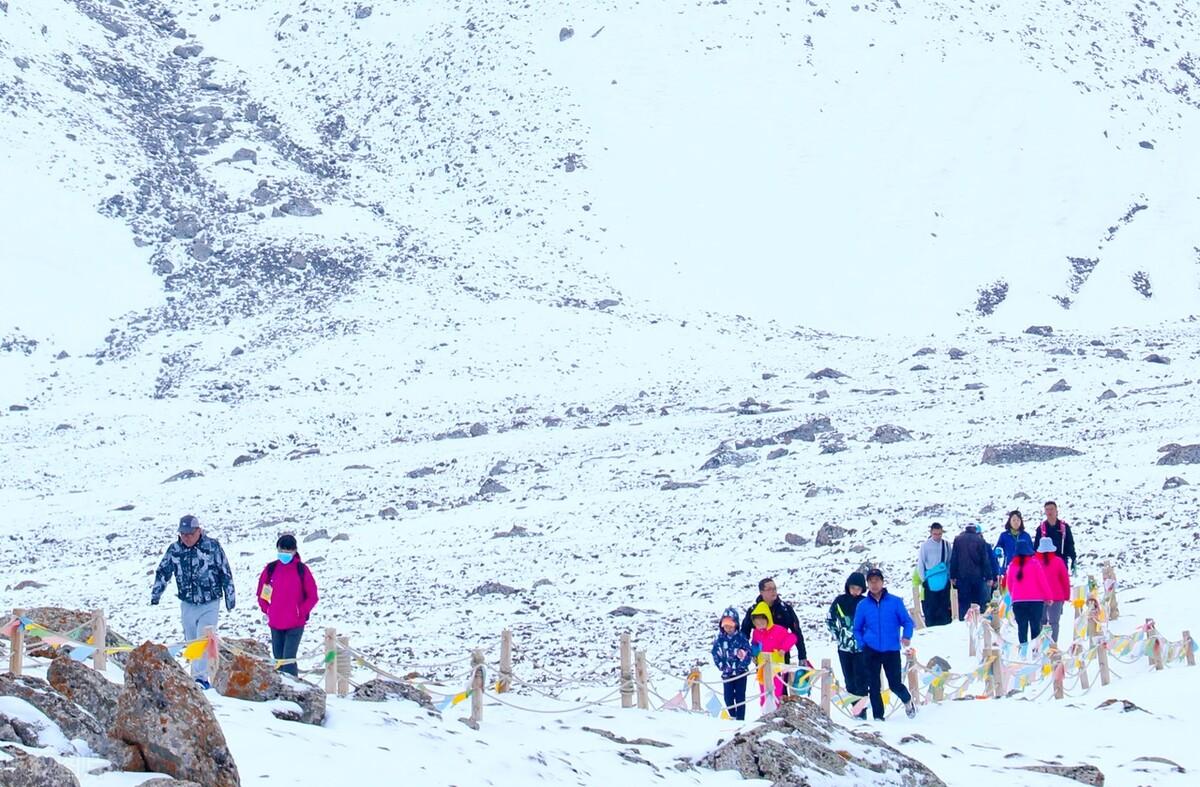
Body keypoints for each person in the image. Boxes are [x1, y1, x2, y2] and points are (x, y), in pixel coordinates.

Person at [150, 515, 236, 689]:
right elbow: (163, 571)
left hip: (209, 601)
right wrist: (156, 594)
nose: (187, 537)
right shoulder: (174, 550)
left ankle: (201, 679)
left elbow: (225, 571)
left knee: (203, 638)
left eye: (190, 533)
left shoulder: (212, 547)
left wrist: (230, 597)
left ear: (199, 531)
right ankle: (195, 676)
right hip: (187, 603)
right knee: (191, 640)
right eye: (183, 534)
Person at [852, 568, 917, 719]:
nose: (874, 584)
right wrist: (863, 644)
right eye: (871, 581)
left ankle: (907, 700)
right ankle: (878, 718)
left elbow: (907, 622)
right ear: (867, 584)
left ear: (882, 582)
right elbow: (856, 629)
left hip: (891, 649)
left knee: (894, 684)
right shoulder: (863, 605)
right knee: (874, 686)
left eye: (877, 581)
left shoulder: (895, 602)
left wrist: (906, 636)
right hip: (871, 650)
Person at [255, 534, 319, 677]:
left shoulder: (301, 570)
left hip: (295, 623)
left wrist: (300, 611)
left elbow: (312, 596)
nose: (284, 554)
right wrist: (268, 609)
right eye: (281, 551)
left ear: (295, 551)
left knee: (288, 660)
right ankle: (280, 692)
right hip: (275, 622)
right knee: (278, 660)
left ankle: (292, 691)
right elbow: (262, 593)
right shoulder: (271, 569)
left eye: (288, 552)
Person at [826, 572, 868, 719]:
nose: (855, 590)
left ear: (863, 588)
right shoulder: (839, 601)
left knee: (861, 680)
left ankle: (862, 712)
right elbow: (830, 619)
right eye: (852, 587)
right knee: (849, 681)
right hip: (844, 648)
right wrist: (838, 635)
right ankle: (855, 709)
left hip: (861, 648)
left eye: (858, 588)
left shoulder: (866, 602)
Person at [740, 577, 807, 666]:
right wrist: (748, 653)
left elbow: (796, 632)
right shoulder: (754, 611)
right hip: (762, 659)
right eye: (769, 589)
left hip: (782, 656)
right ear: (761, 592)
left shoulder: (785, 609)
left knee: (783, 680)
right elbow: (744, 633)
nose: (773, 591)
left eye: (775, 588)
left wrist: (802, 656)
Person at [749, 602, 797, 704]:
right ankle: (765, 715)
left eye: (762, 622)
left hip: (777, 669)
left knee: (775, 695)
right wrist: (754, 654)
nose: (760, 625)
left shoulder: (778, 630)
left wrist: (783, 649)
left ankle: (775, 717)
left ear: (768, 619)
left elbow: (792, 637)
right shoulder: (756, 632)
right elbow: (755, 644)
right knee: (763, 696)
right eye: (757, 624)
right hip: (762, 668)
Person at [711, 607, 753, 720]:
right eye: (725, 625)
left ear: (736, 624)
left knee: (740, 697)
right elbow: (715, 653)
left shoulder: (741, 638)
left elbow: (749, 653)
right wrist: (722, 666)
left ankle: (740, 719)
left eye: (730, 625)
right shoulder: (719, 639)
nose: (728, 628)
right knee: (728, 698)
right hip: (727, 675)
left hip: (741, 673)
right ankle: (732, 716)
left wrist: (743, 663)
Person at [1005, 541, 1047, 645]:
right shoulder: (1035, 563)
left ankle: (1023, 651)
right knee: (1035, 626)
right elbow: (1042, 581)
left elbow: (1009, 584)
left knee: (1022, 627)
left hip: (1018, 601)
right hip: (1036, 601)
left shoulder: (1012, 565)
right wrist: (1048, 596)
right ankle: (1035, 651)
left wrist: (1013, 595)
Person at [949, 524, 993, 620]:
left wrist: (952, 576)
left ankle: (963, 621)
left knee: (964, 602)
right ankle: (976, 621)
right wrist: (989, 577)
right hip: (977, 577)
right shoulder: (980, 540)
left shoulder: (958, 540)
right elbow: (985, 560)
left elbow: (954, 559)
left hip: (962, 577)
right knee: (977, 602)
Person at [915, 523, 953, 626]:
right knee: (931, 607)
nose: (937, 536)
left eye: (939, 534)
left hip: (944, 580)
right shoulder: (925, 546)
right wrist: (924, 580)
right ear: (931, 533)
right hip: (930, 581)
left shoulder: (946, 544)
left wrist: (949, 577)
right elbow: (921, 563)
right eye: (935, 534)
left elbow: (949, 562)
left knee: (944, 607)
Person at [1036, 536, 1071, 642]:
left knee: (1041, 621)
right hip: (1057, 597)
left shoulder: (1035, 562)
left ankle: (1041, 644)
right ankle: (1053, 644)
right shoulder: (1058, 561)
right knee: (1054, 622)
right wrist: (1066, 596)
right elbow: (1065, 580)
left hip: (1039, 597)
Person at [1038, 501, 1077, 573]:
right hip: (1045, 563)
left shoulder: (1064, 527)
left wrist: (1073, 558)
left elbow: (1070, 543)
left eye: (1051, 509)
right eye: (1047, 509)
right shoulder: (1041, 528)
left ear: (1056, 511)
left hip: (1062, 561)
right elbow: (1036, 546)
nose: (1049, 512)